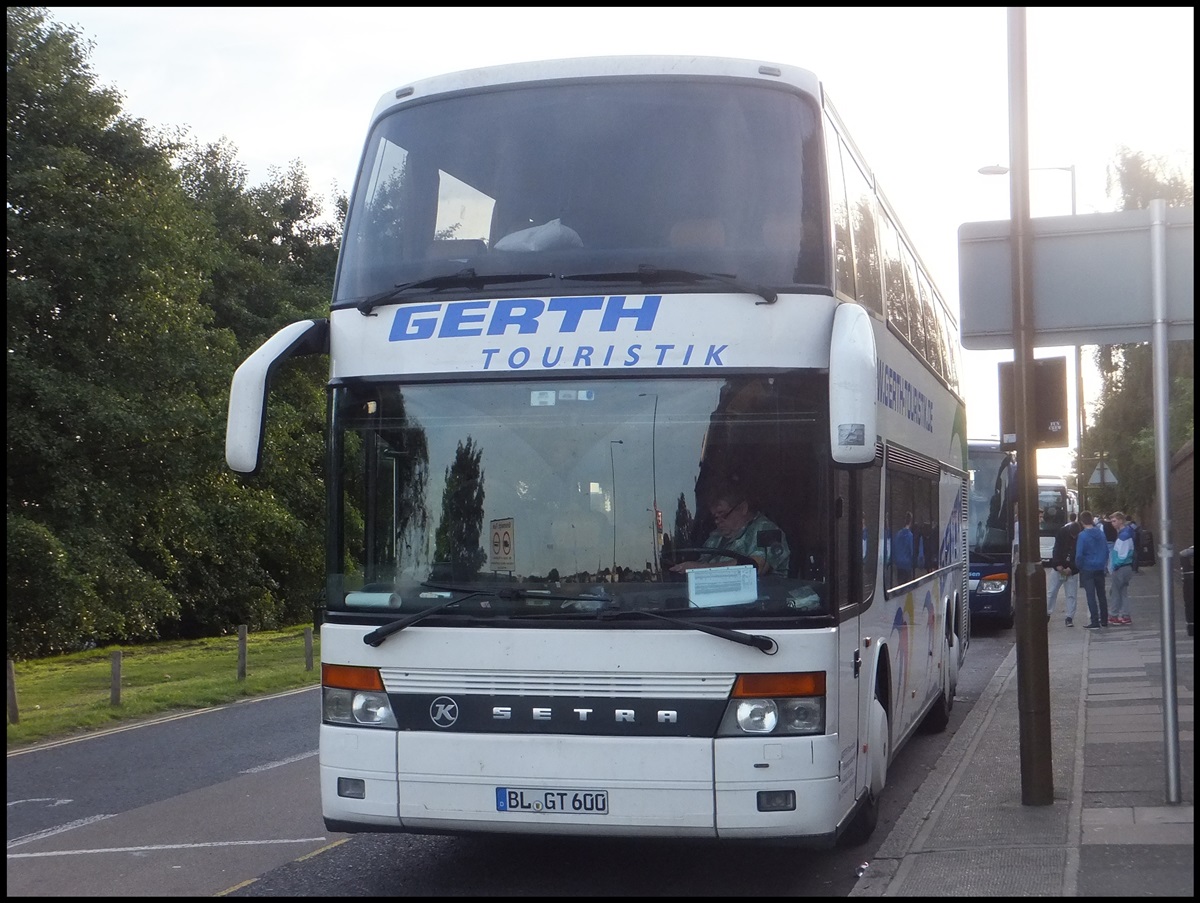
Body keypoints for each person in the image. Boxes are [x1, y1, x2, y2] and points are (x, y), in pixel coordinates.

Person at [670, 485, 790, 578]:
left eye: (722, 514)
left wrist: (700, 568)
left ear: (743, 508)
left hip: (761, 606)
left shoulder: (768, 531)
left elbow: (755, 567)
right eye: (715, 517)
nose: (717, 521)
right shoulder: (715, 538)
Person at [1045, 511, 1082, 625]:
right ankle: (1047, 612)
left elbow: (1080, 554)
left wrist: (1072, 568)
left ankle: (1069, 616)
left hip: (1068, 569)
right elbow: (1056, 549)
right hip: (1061, 567)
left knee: (1070, 594)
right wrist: (1058, 565)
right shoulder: (1062, 533)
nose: (1074, 537)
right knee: (1052, 592)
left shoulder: (1079, 536)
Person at [1075, 511, 1110, 629]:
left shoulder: (1082, 535)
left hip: (1087, 568)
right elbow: (1106, 550)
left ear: (1081, 522)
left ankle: (1095, 621)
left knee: (1091, 595)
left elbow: (1079, 554)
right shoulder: (1100, 533)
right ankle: (1104, 619)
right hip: (1100, 567)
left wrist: (1079, 565)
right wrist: (1103, 563)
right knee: (1101, 594)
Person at [1107, 511, 1137, 625]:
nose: (1112, 524)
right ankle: (1126, 615)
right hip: (1126, 567)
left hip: (1120, 567)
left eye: (1114, 521)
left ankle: (1114, 615)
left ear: (1120, 520)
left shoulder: (1123, 536)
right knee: (1123, 592)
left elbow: (1121, 554)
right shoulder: (1127, 533)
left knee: (1115, 592)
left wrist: (1115, 565)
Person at [892, 512, 916, 584]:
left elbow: (894, 548)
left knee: (900, 584)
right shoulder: (910, 535)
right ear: (911, 522)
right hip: (907, 565)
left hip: (898, 564)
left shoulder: (898, 534)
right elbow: (911, 551)